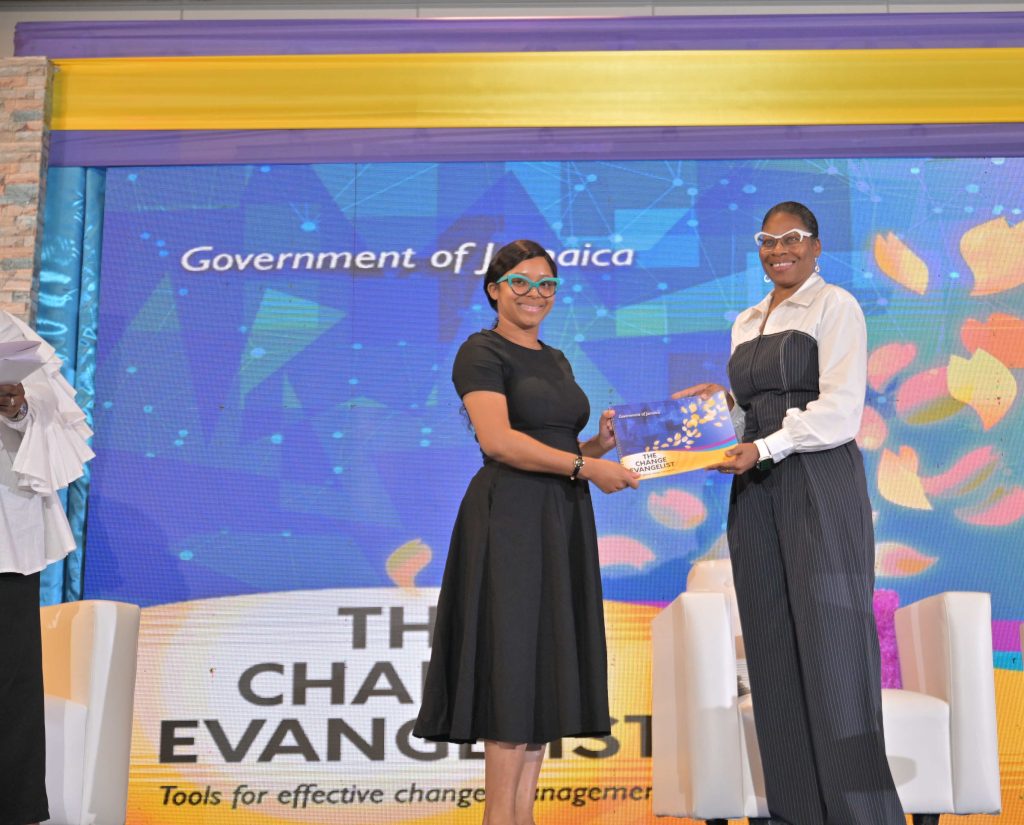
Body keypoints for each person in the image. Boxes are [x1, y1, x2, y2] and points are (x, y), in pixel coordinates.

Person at [674, 202, 904, 825]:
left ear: (816, 245)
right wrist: (721, 411)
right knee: (772, 651)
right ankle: (797, 814)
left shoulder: (835, 306)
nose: (780, 249)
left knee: (833, 649)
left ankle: (865, 816)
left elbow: (841, 412)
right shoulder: (747, 320)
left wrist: (764, 446)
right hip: (755, 490)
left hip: (818, 479)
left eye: (793, 238)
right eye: (768, 240)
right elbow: (754, 416)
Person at [413, 240, 639, 825]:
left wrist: (597, 447)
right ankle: (499, 817)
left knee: (542, 666)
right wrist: (587, 468)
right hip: (510, 518)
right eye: (520, 282)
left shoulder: (556, 358)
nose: (535, 294)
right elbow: (499, 442)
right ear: (494, 290)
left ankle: (522, 816)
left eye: (546, 284)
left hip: (560, 516)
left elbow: (557, 445)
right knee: (512, 663)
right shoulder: (480, 351)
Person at [0, 310, 95, 825]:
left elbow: (52, 419)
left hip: (4, 542)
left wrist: (16, 408)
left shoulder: (6, 332)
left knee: (9, 683)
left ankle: (13, 810)